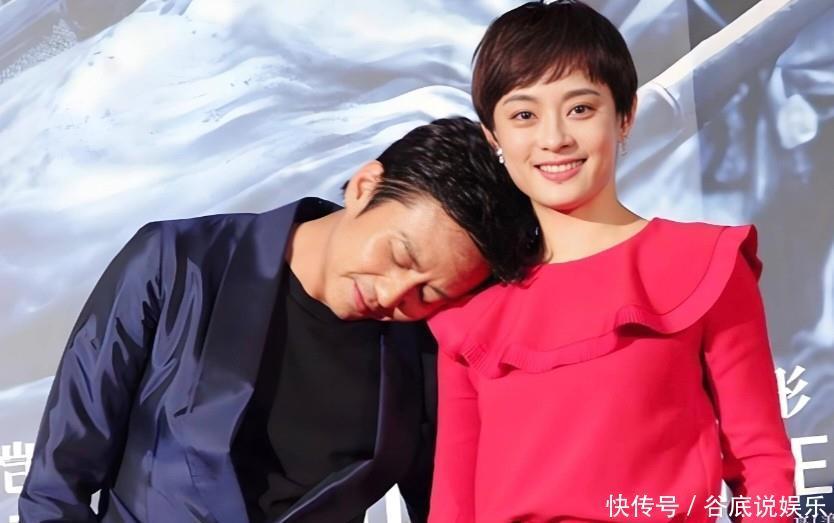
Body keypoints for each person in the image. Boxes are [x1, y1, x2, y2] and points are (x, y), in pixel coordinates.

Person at [18, 117, 538, 523]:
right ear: (365, 186)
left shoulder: (420, 353)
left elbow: (442, 508)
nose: (391, 294)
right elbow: (57, 484)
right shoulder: (176, 263)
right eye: (399, 255)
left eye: (429, 292)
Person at [427, 3, 796, 522]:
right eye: (524, 115)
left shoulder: (704, 265)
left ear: (625, 116)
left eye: (580, 108)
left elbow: (761, 463)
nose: (554, 138)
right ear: (494, 137)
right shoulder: (473, 315)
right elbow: (452, 504)